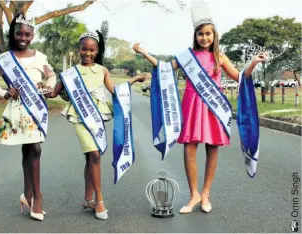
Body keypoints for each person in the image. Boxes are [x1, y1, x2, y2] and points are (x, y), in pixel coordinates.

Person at [133, 1, 267, 214]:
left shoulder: (220, 57)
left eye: (208, 34)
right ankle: (194, 193)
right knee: (189, 149)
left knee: (212, 147)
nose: (204, 37)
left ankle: (206, 193)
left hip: (213, 108)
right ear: (195, 36)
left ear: (214, 35)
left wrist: (253, 63)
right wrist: (145, 53)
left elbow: (240, 77)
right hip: (192, 106)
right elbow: (165, 69)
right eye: (200, 34)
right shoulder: (187, 56)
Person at [45, 30, 146, 220]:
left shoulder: (102, 70)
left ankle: (87, 199)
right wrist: (42, 88)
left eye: (91, 50)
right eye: (84, 49)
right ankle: (99, 200)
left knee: (91, 157)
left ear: (97, 50)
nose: (88, 53)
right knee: (94, 155)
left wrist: (134, 79)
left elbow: (115, 91)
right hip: (80, 116)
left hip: (97, 114)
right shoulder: (69, 73)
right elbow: (53, 93)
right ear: (79, 50)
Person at [0, 14, 56, 221]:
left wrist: (47, 86)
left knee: (34, 148)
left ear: (32, 36)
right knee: (28, 150)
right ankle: (29, 195)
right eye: (19, 33)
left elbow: (51, 76)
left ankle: (36, 197)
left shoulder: (39, 57)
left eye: (27, 34)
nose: (22, 37)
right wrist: (4, 93)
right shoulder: (6, 59)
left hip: (35, 108)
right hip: (18, 111)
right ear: (14, 34)